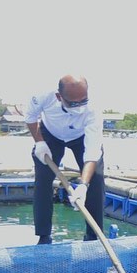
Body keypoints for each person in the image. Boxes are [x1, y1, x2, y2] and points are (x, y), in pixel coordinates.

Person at [25, 75, 104, 244]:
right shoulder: (43, 96)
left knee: (95, 179)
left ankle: (93, 236)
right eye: (73, 103)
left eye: (83, 101)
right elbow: (30, 117)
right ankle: (44, 235)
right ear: (59, 97)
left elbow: (92, 153)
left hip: (80, 136)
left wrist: (83, 186)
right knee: (43, 179)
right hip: (51, 135)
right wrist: (39, 142)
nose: (79, 107)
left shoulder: (93, 110)